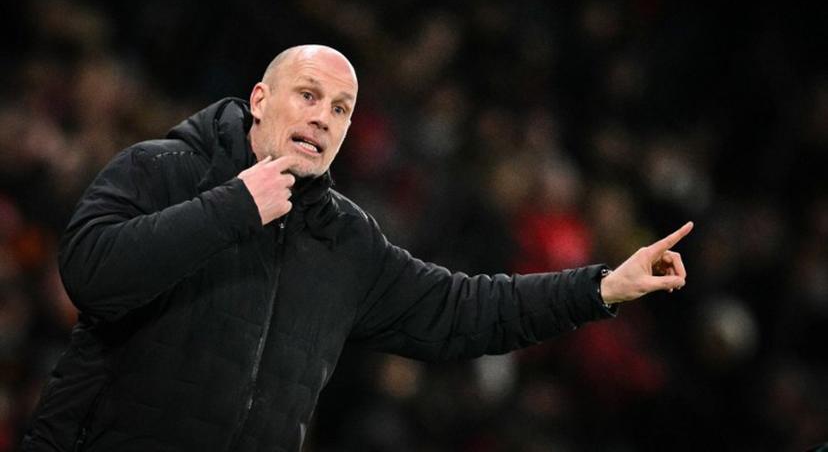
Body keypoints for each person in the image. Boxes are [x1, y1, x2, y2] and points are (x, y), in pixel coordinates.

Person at [22, 45, 692, 452]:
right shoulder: (163, 168)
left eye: (340, 109)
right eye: (308, 95)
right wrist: (234, 206)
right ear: (260, 100)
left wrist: (601, 287)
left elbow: (464, 310)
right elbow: (90, 273)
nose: (323, 116)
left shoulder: (345, 242)